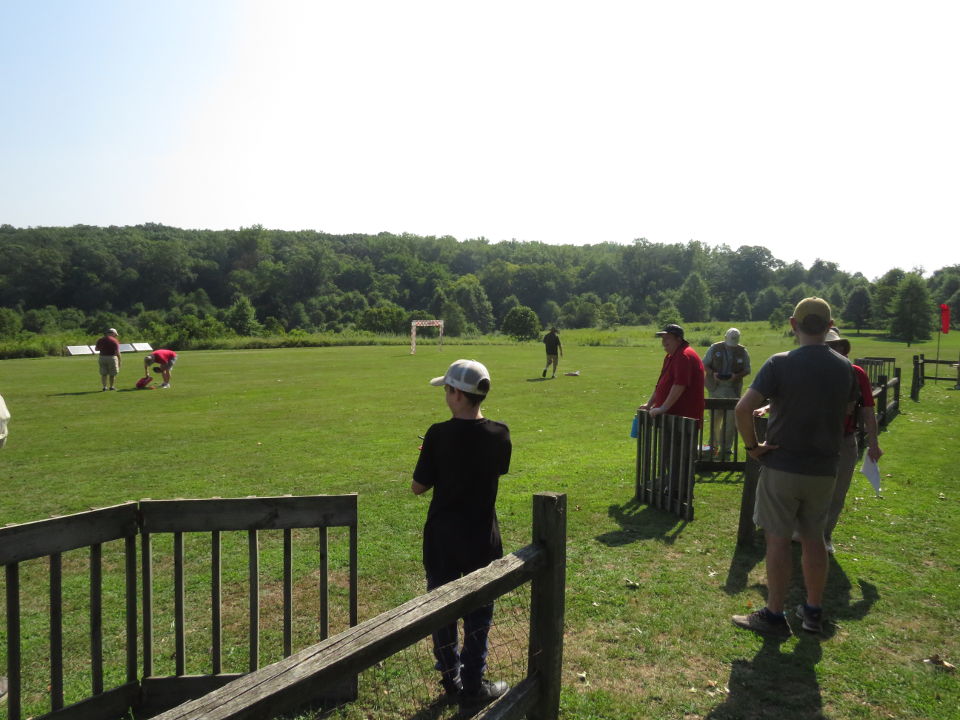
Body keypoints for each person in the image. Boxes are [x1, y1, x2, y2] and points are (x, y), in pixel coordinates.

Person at [732, 298, 857, 637]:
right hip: (824, 469)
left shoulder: (779, 363)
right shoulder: (845, 368)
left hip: (783, 466)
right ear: (829, 325)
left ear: (793, 324)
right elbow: (846, 409)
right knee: (814, 539)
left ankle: (774, 615)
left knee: (777, 541)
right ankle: (813, 612)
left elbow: (743, 409)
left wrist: (753, 448)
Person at [411, 359, 512, 706]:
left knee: (442, 609)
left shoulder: (437, 435)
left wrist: (434, 455)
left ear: (456, 394)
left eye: (447, 390)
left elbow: (418, 487)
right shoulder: (500, 434)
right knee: (479, 614)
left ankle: (449, 676)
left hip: (443, 539)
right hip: (481, 539)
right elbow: (492, 469)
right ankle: (473, 683)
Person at [822, 328, 883, 553]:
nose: (831, 350)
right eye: (826, 346)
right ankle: (801, 531)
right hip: (813, 439)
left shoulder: (857, 373)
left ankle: (824, 535)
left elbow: (868, 410)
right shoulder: (810, 370)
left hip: (844, 439)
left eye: (834, 345)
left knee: (838, 491)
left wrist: (874, 444)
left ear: (841, 347)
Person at [640, 323, 705, 425]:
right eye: (662, 338)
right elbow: (661, 384)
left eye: (667, 338)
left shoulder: (683, 355)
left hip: (684, 419)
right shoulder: (671, 356)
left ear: (678, 339)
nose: (663, 342)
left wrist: (663, 408)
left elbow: (680, 385)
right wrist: (649, 404)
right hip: (672, 418)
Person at [703, 328, 751, 458]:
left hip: (733, 389)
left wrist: (736, 376)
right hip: (715, 388)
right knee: (715, 420)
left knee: (730, 422)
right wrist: (713, 373)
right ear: (725, 338)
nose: (731, 347)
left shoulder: (743, 351)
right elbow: (704, 364)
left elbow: (747, 370)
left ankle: (726, 449)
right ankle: (713, 447)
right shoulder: (714, 348)